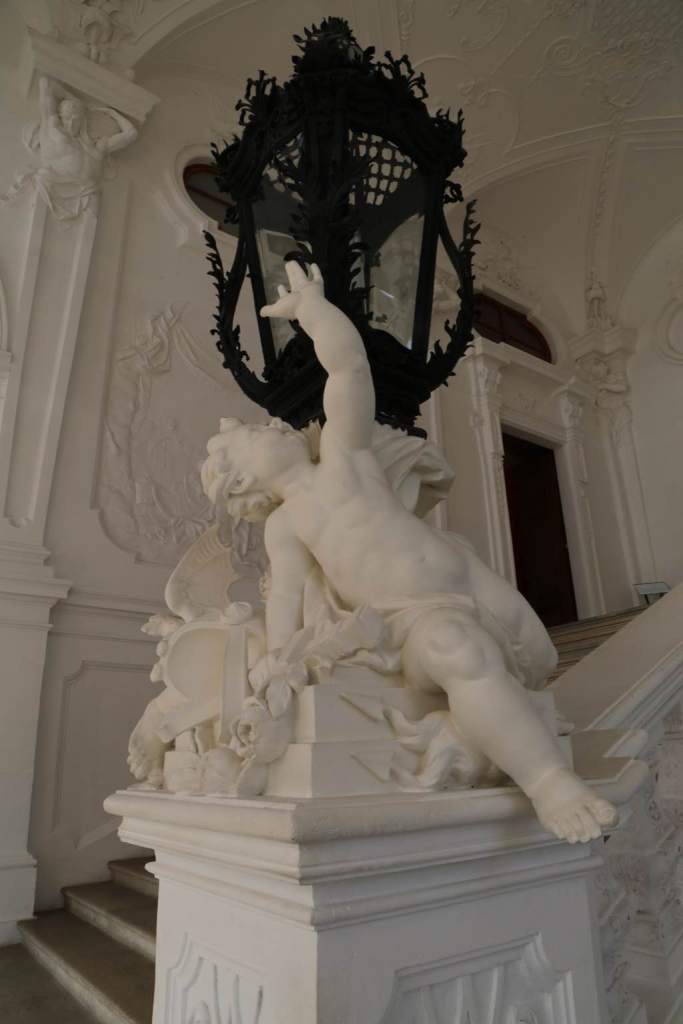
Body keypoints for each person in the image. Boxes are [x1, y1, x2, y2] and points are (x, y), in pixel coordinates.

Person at [202, 261, 618, 844]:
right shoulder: (288, 524)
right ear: (242, 485)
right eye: (251, 436)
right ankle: (550, 783)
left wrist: (316, 313)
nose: (269, 426)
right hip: (413, 618)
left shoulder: (345, 458)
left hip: (468, 578)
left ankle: (498, 730)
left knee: (542, 660)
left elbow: (348, 370)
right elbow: (287, 597)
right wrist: (277, 656)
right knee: (461, 653)